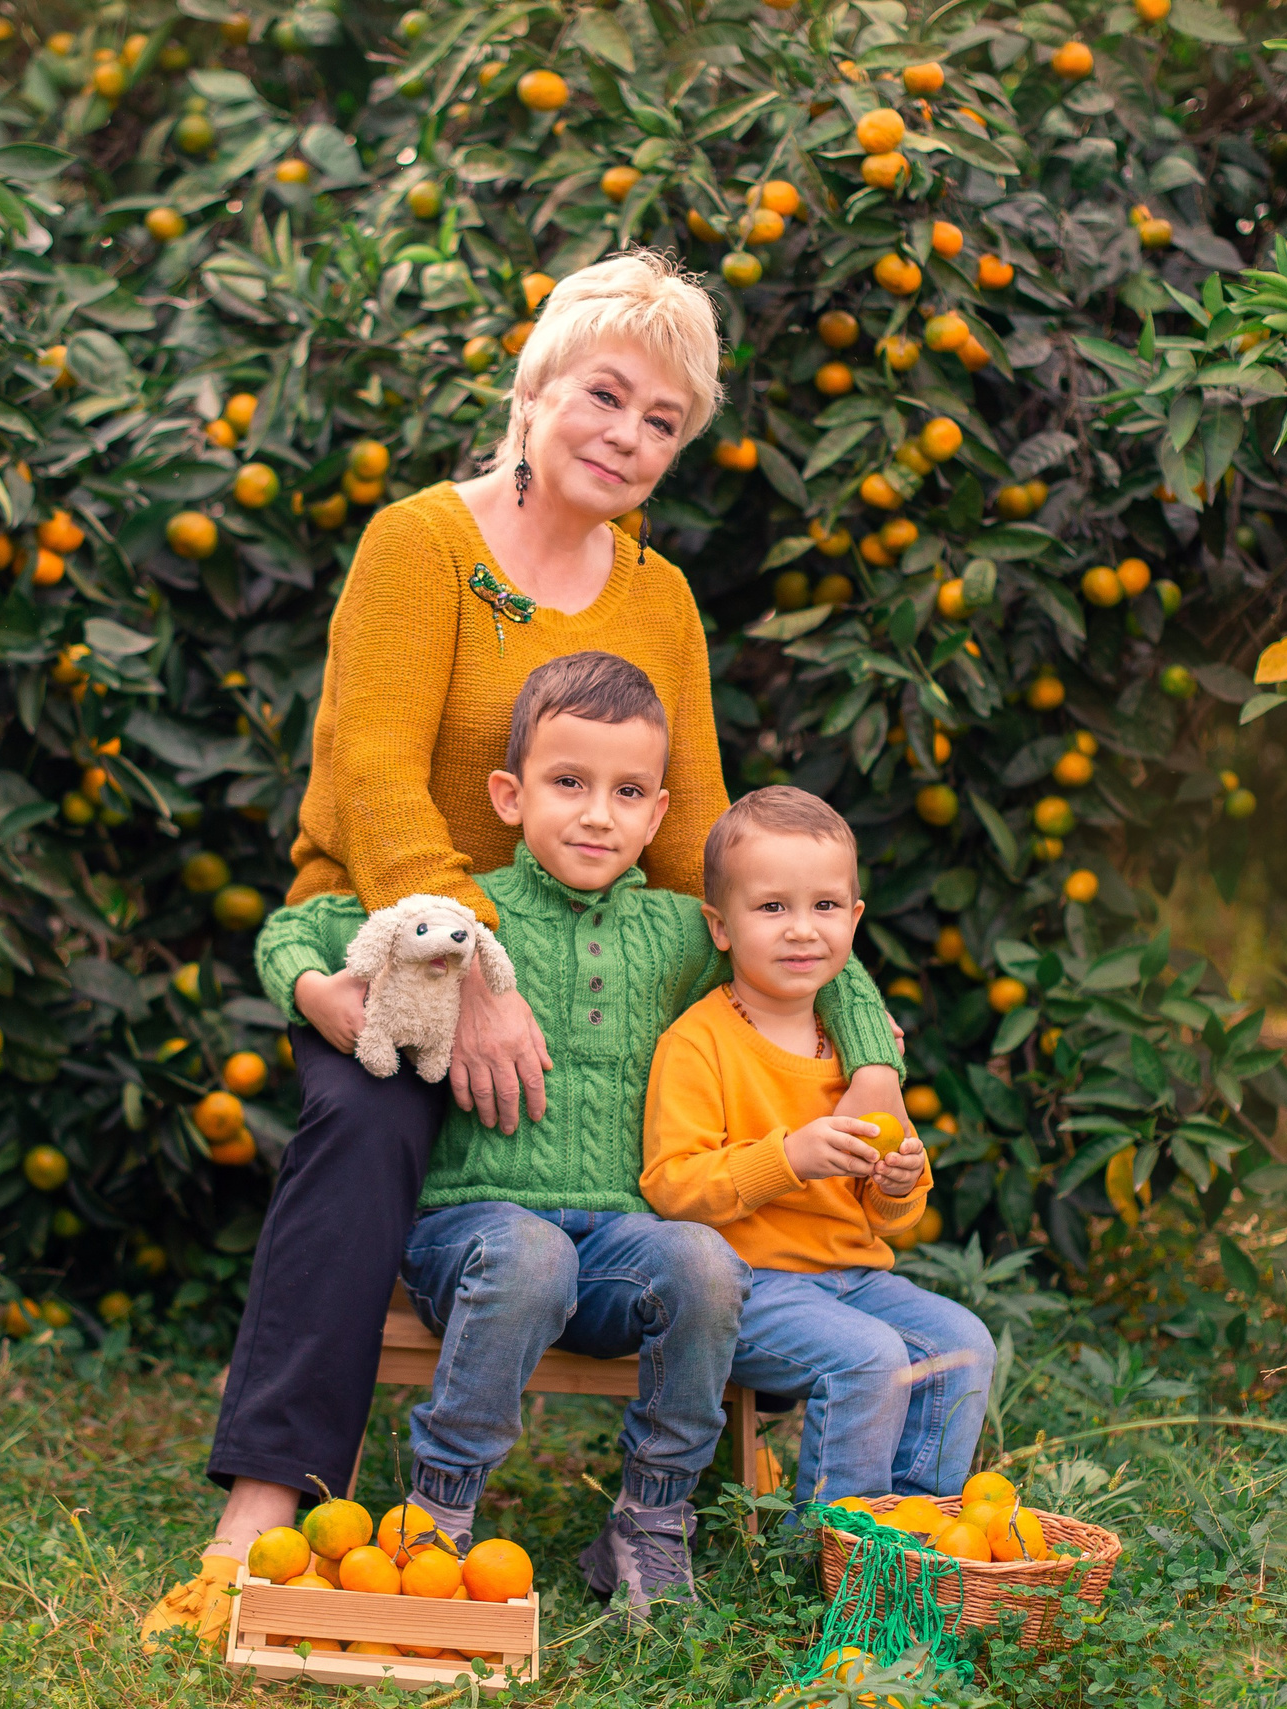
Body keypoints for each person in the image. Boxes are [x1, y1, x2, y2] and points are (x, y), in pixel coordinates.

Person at [138, 251, 912, 1647]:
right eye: (605, 396)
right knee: (368, 1120)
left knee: (715, 1126)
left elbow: (710, 852)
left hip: (593, 947)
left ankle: (685, 1501)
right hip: (394, 943)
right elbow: (373, 778)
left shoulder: (659, 599)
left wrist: (860, 1037)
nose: (626, 435)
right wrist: (474, 970)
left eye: (663, 420)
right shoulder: (420, 543)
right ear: (536, 388)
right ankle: (264, 1503)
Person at [247, 653, 906, 1617]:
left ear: (658, 813)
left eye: (627, 792)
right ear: (509, 796)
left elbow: (818, 960)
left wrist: (875, 1065)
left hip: (617, 1250)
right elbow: (294, 929)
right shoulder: (466, 915)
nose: (599, 814)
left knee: (703, 1259)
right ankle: (440, 1511)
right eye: (569, 783)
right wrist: (318, 995)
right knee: (531, 1251)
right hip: (473, 1236)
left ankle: (651, 1517)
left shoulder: (683, 932)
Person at [641, 787, 997, 1505]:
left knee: (964, 1346)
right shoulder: (699, 1042)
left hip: (854, 1277)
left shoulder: (861, 1054)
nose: (802, 930)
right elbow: (672, 1185)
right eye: (772, 907)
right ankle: (837, 1545)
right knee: (869, 1357)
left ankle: (915, 1525)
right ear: (720, 926)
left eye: (825, 906)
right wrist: (789, 1158)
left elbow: (889, 1217)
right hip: (748, 1288)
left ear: (855, 919)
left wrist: (898, 1183)